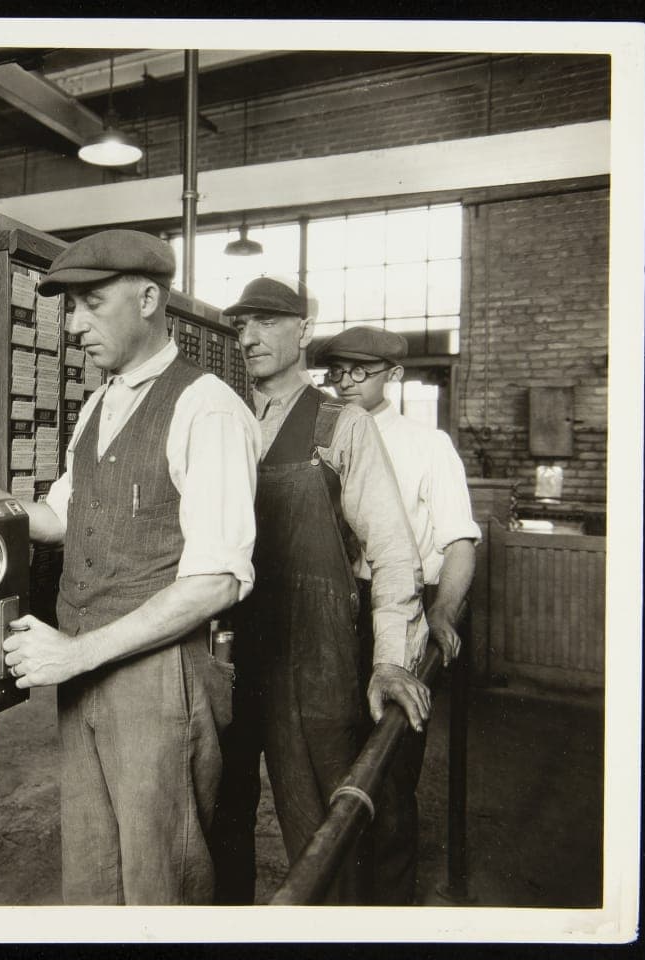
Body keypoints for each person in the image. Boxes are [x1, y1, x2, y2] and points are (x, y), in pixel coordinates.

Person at [0, 229, 261, 905]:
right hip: (87, 672)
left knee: (160, 873)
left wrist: (78, 654)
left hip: (160, 682)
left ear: (147, 298)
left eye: (91, 304)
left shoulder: (207, 408)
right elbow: (60, 518)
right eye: (69, 308)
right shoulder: (100, 405)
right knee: (94, 869)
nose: (74, 326)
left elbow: (217, 579)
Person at [210, 275, 429, 905]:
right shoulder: (225, 421)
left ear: (303, 330)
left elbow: (393, 554)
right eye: (242, 324)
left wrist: (389, 658)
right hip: (228, 652)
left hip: (314, 658)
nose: (250, 337)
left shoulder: (343, 423)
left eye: (268, 322)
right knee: (221, 816)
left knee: (323, 828)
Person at [316, 325, 481, 904]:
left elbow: (459, 541)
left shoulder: (426, 444)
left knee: (390, 772)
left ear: (395, 375)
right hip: (334, 618)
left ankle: (390, 910)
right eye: (337, 370)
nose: (346, 381)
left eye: (362, 370)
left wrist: (442, 613)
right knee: (334, 770)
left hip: (403, 614)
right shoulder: (321, 436)